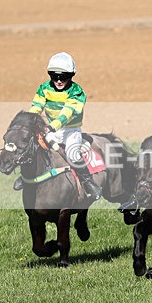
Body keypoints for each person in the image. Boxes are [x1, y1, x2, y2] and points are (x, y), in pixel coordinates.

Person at [23, 52, 102, 199]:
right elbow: (36, 106)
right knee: (31, 148)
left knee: (73, 154)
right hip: (51, 129)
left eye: (64, 77)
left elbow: (68, 113)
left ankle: (88, 182)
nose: (59, 81)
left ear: (71, 75)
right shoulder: (44, 88)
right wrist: (30, 121)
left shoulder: (77, 92)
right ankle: (25, 177)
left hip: (71, 131)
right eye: (54, 76)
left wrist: (52, 126)